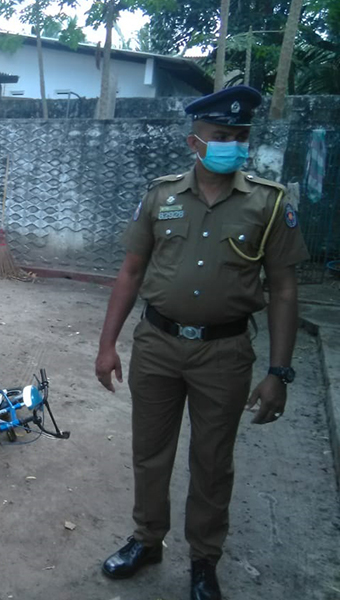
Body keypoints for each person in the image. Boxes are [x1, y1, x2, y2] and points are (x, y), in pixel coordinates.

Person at [94, 86, 309, 600]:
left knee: (213, 461)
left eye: (239, 136)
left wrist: (279, 373)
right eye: (220, 136)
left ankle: (203, 560)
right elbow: (130, 271)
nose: (231, 144)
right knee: (150, 454)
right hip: (158, 345)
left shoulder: (270, 203)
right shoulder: (160, 196)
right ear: (195, 141)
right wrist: (107, 346)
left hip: (225, 353)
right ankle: (147, 540)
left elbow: (283, 289)